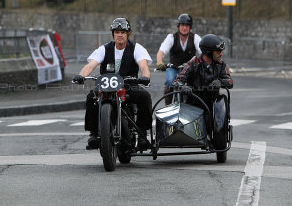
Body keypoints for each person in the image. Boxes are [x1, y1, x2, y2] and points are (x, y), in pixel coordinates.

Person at [73, 18, 153, 150]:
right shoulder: (104, 49)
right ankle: (93, 134)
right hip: (106, 87)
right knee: (91, 97)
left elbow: (144, 66)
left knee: (145, 97)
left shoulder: (137, 48)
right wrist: (81, 75)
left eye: (123, 32)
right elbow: (91, 65)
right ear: (113, 34)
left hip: (128, 85)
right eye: (117, 32)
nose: (120, 35)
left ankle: (142, 135)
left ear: (128, 33)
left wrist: (145, 77)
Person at [173, 34, 233, 127]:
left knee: (215, 121)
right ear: (208, 52)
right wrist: (182, 86)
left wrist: (220, 82)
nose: (221, 54)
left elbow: (230, 82)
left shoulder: (221, 65)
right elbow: (177, 81)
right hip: (193, 102)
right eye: (218, 51)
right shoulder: (193, 63)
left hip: (213, 104)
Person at [156, 13, 202, 105]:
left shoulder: (195, 38)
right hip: (173, 67)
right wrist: (160, 62)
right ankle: (167, 106)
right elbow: (161, 52)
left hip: (190, 69)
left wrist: (202, 62)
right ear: (178, 26)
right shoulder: (171, 37)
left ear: (190, 27)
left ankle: (194, 106)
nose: (184, 28)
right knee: (169, 81)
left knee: (196, 84)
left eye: (187, 25)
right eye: (182, 25)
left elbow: (202, 52)